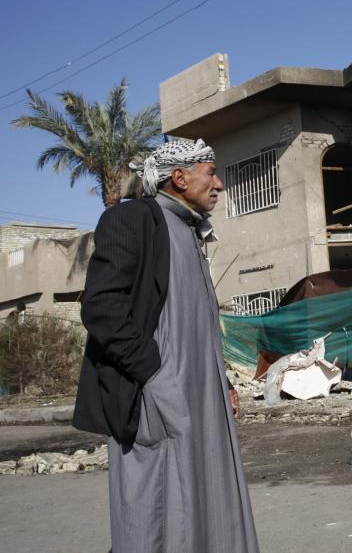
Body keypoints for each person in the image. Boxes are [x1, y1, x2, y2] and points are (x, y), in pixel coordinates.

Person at [73, 138, 260, 553]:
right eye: (211, 173)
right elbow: (102, 309)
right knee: (155, 509)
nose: (220, 184)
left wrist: (222, 380)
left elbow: (199, 322)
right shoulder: (136, 220)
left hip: (201, 396)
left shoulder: (190, 232)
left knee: (207, 497)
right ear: (179, 177)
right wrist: (157, 376)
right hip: (159, 393)